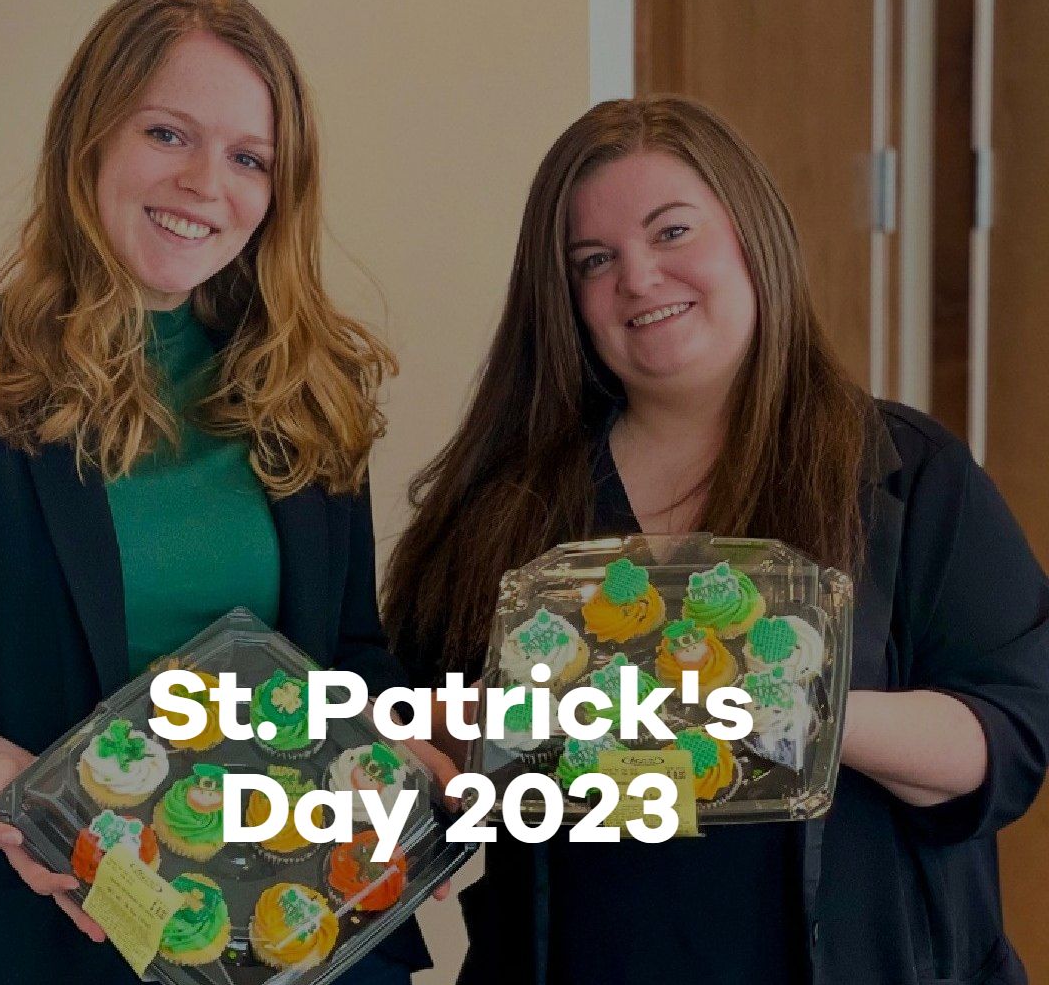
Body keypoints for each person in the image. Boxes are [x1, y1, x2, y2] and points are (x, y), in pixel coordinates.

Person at [0, 0, 439, 985]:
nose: (207, 183)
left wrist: (402, 758)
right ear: (88, 139)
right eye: (168, 134)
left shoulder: (308, 390)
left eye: (249, 158)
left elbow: (348, 656)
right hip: (51, 938)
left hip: (300, 935)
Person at [382, 96, 1049, 985]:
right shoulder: (505, 506)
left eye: (672, 231)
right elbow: (426, 744)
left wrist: (777, 708)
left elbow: (1007, 739)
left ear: (750, 236)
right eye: (595, 260)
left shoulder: (906, 475)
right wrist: (461, 744)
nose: (639, 277)